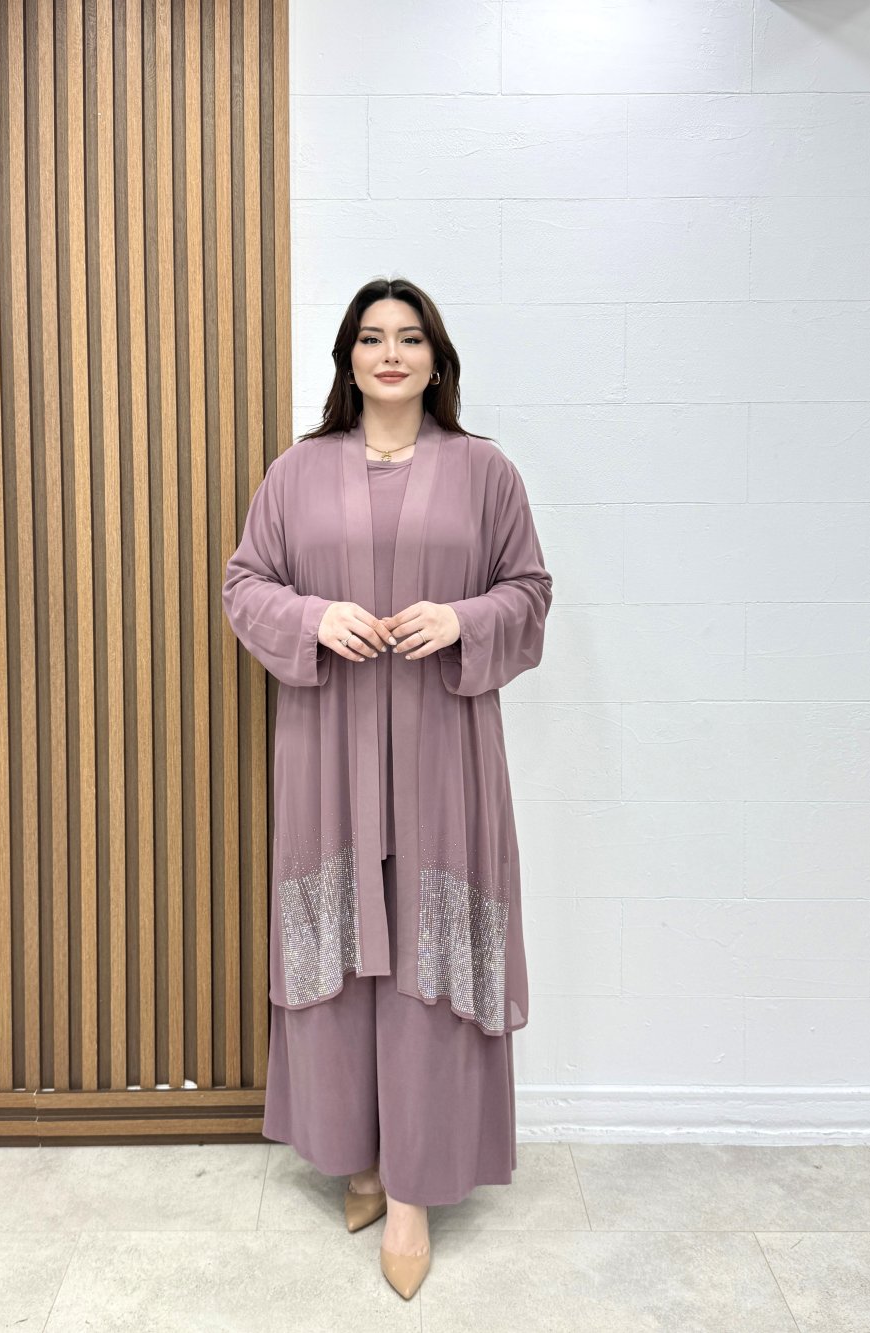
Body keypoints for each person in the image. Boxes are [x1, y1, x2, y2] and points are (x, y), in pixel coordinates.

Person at [221, 276, 553, 1299]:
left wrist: (463, 619)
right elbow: (245, 584)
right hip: (327, 745)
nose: (391, 353)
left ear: (436, 359)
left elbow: (528, 591)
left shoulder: (485, 471)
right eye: (372, 337)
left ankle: (411, 1187)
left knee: (424, 961)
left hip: (445, 745)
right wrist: (313, 617)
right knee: (345, 948)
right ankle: (356, 1155)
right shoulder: (296, 471)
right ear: (348, 358)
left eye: (410, 338)